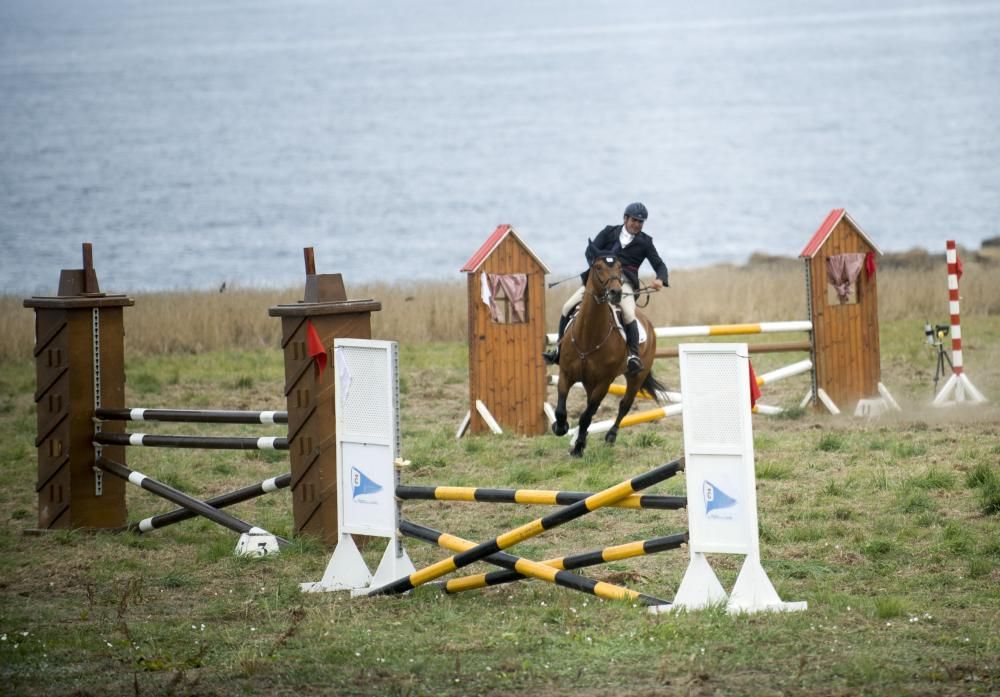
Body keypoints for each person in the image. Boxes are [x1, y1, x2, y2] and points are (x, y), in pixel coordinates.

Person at [543, 202, 668, 374]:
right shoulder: (609, 232)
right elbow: (590, 251)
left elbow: (659, 264)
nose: (637, 224)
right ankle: (558, 348)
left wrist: (660, 279)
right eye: (634, 220)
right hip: (599, 281)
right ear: (625, 218)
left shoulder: (645, 242)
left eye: (641, 222)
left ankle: (633, 355)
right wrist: (598, 266)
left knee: (629, 314)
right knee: (566, 307)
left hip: (624, 284)